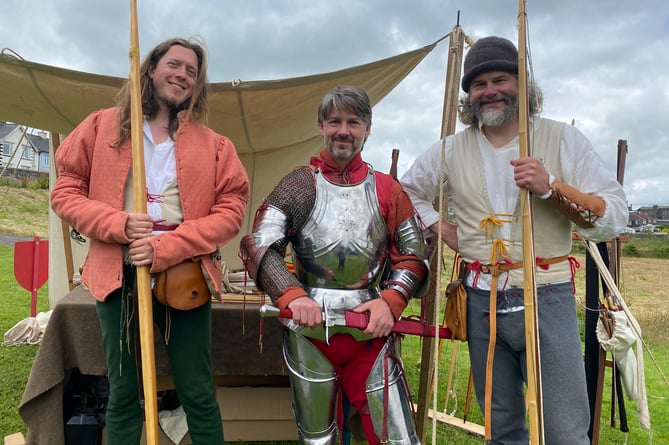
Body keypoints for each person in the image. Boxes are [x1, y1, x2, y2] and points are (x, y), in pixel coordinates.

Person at [400, 36, 628, 444]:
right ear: (468, 95)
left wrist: (550, 187)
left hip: (546, 296)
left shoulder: (562, 140)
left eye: (500, 79)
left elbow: (614, 215)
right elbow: (407, 193)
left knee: (562, 430)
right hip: (479, 300)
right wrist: (443, 228)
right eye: (479, 84)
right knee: (501, 428)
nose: (489, 91)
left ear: (521, 85)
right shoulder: (449, 150)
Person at [51, 37, 250, 445]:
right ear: (152, 68)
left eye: (192, 71)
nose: (182, 75)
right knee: (123, 392)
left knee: (196, 390)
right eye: (174, 64)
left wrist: (169, 247)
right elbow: (65, 191)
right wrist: (118, 224)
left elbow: (232, 209)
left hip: (184, 274)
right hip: (118, 273)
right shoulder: (102, 125)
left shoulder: (213, 145)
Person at [240, 85, 428, 445]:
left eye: (353, 122)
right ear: (321, 127)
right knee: (317, 441)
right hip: (309, 332)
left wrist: (391, 302)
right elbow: (261, 244)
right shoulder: (299, 184)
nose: (344, 130)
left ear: (367, 129)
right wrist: (292, 295)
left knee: (399, 439)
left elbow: (414, 253)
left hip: (372, 332)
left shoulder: (389, 190)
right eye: (335, 121)